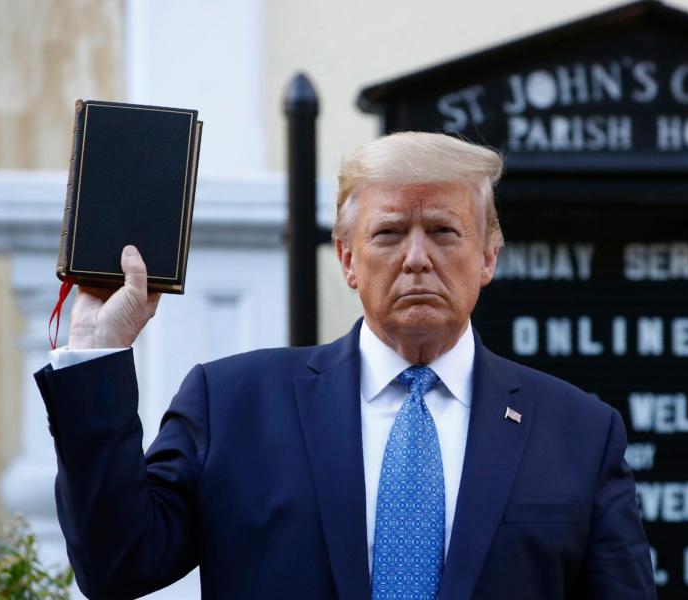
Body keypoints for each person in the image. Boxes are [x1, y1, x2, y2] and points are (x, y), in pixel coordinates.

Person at [35, 132, 656, 599]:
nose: (417, 258)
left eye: (443, 231)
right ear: (347, 258)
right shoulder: (234, 405)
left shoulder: (577, 431)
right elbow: (116, 565)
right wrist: (97, 355)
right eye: (389, 234)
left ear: (488, 258)